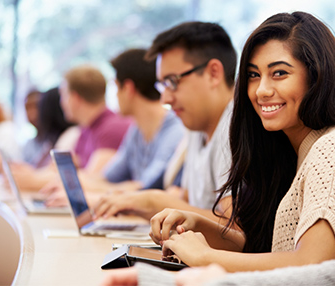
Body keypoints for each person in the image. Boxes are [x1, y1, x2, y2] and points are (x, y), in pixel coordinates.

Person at [102, 1, 335, 285]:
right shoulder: (286, 152)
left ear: (317, 77)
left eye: (279, 73)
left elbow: (312, 265)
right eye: (254, 75)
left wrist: (205, 257)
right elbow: (265, 250)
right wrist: (199, 223)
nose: (262, 90)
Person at [92, 21, 237, 222]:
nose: (165, 99)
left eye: (172, 82)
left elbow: (234, 227)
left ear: (213, 73)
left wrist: (155, 201)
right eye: (163, 85)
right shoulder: (197, 125)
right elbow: (188, 200)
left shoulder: (236, 129)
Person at [42, 48, 185, 206]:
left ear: (128, 88)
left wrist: (93, 194)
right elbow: (108, 177)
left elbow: (146, 187)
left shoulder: (175, 131)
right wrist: (78, 183)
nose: (114, 96)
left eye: (115, 87)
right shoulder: (136, 130)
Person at [60, 64, 132, 172]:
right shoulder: (86, 129)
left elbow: (94, 179)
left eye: (63, 95)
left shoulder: (112, 129)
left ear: (75, 98)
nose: (61, 102)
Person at [22, 87, 79, 168]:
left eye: (37, 107)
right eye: (27, 108)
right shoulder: (40, 143)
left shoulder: (71, 136)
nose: (32, 114)